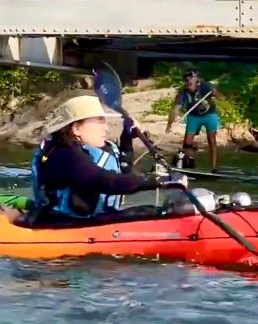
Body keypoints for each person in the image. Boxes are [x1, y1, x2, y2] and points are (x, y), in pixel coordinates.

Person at [21, 95, 186, 226]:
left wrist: (127, 138)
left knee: (155, 211)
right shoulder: (63, 154)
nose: (106, 128)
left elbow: (124, 170)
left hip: (88, 221)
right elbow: (106, 181)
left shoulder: (88, 150)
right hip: (59, 224)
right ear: (76, 128)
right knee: (150, 213)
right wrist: (157, 181)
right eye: (100, 121)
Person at [165, 70, 223, 172]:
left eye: (191, 79)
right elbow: (175, 110)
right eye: (187, 80)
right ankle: (190, 165)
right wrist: (169, 125)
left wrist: (215, 93)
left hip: (209, 114)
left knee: (211, 140)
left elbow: (220, 97)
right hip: (193, 116)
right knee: (187, 144)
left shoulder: (205, 87)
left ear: (196, 80)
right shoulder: (182, 93)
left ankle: (213, 168)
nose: (189, 82)